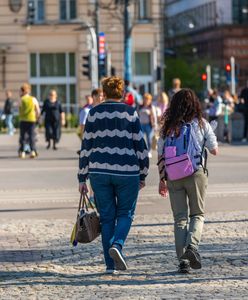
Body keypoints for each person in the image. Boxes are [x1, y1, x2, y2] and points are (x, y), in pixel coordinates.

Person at [78, 76, 149, 274]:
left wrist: (82, 178)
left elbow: (86, 147)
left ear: (104, 92)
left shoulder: (93, 113)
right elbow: (140, 146)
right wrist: (143, 173)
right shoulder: (130, 113)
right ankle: (117, 246)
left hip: (99, 172)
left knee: (107, 218)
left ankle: (110, 266)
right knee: (125, 213)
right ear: (121, 92)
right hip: (127, 172)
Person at [157, 89, 218, 274]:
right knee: (197, 214)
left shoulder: (167, 127)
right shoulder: (201, 124)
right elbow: (214, 150)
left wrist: (162, 180)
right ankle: (192, 247)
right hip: (195, 173)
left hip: (173, 176)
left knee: (180, 218)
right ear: (195, 104)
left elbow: (160, 155)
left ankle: (182, 261)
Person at [18, 83, 40, 159]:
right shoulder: (33, 99)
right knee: (31, 136)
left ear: (22, 91)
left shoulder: (21, 99)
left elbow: (19, 108)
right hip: (32, 120)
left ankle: (22, 151)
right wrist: (37, 118)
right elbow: (37, 110)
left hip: (23, 120)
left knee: (23, 136)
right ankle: (33, 151)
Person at [139, 93, 157, 158]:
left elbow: (154, 117)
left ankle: (149, 151)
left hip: (149, 125)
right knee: (141, 139)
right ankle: (142, 151)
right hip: (141, 124)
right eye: (145, 99)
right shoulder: (140, 106)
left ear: (150, 100)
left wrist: (155, 125)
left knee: (149, 139)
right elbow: (137, 114)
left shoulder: (152, 107)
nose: (146, 101)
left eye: (148, 99)